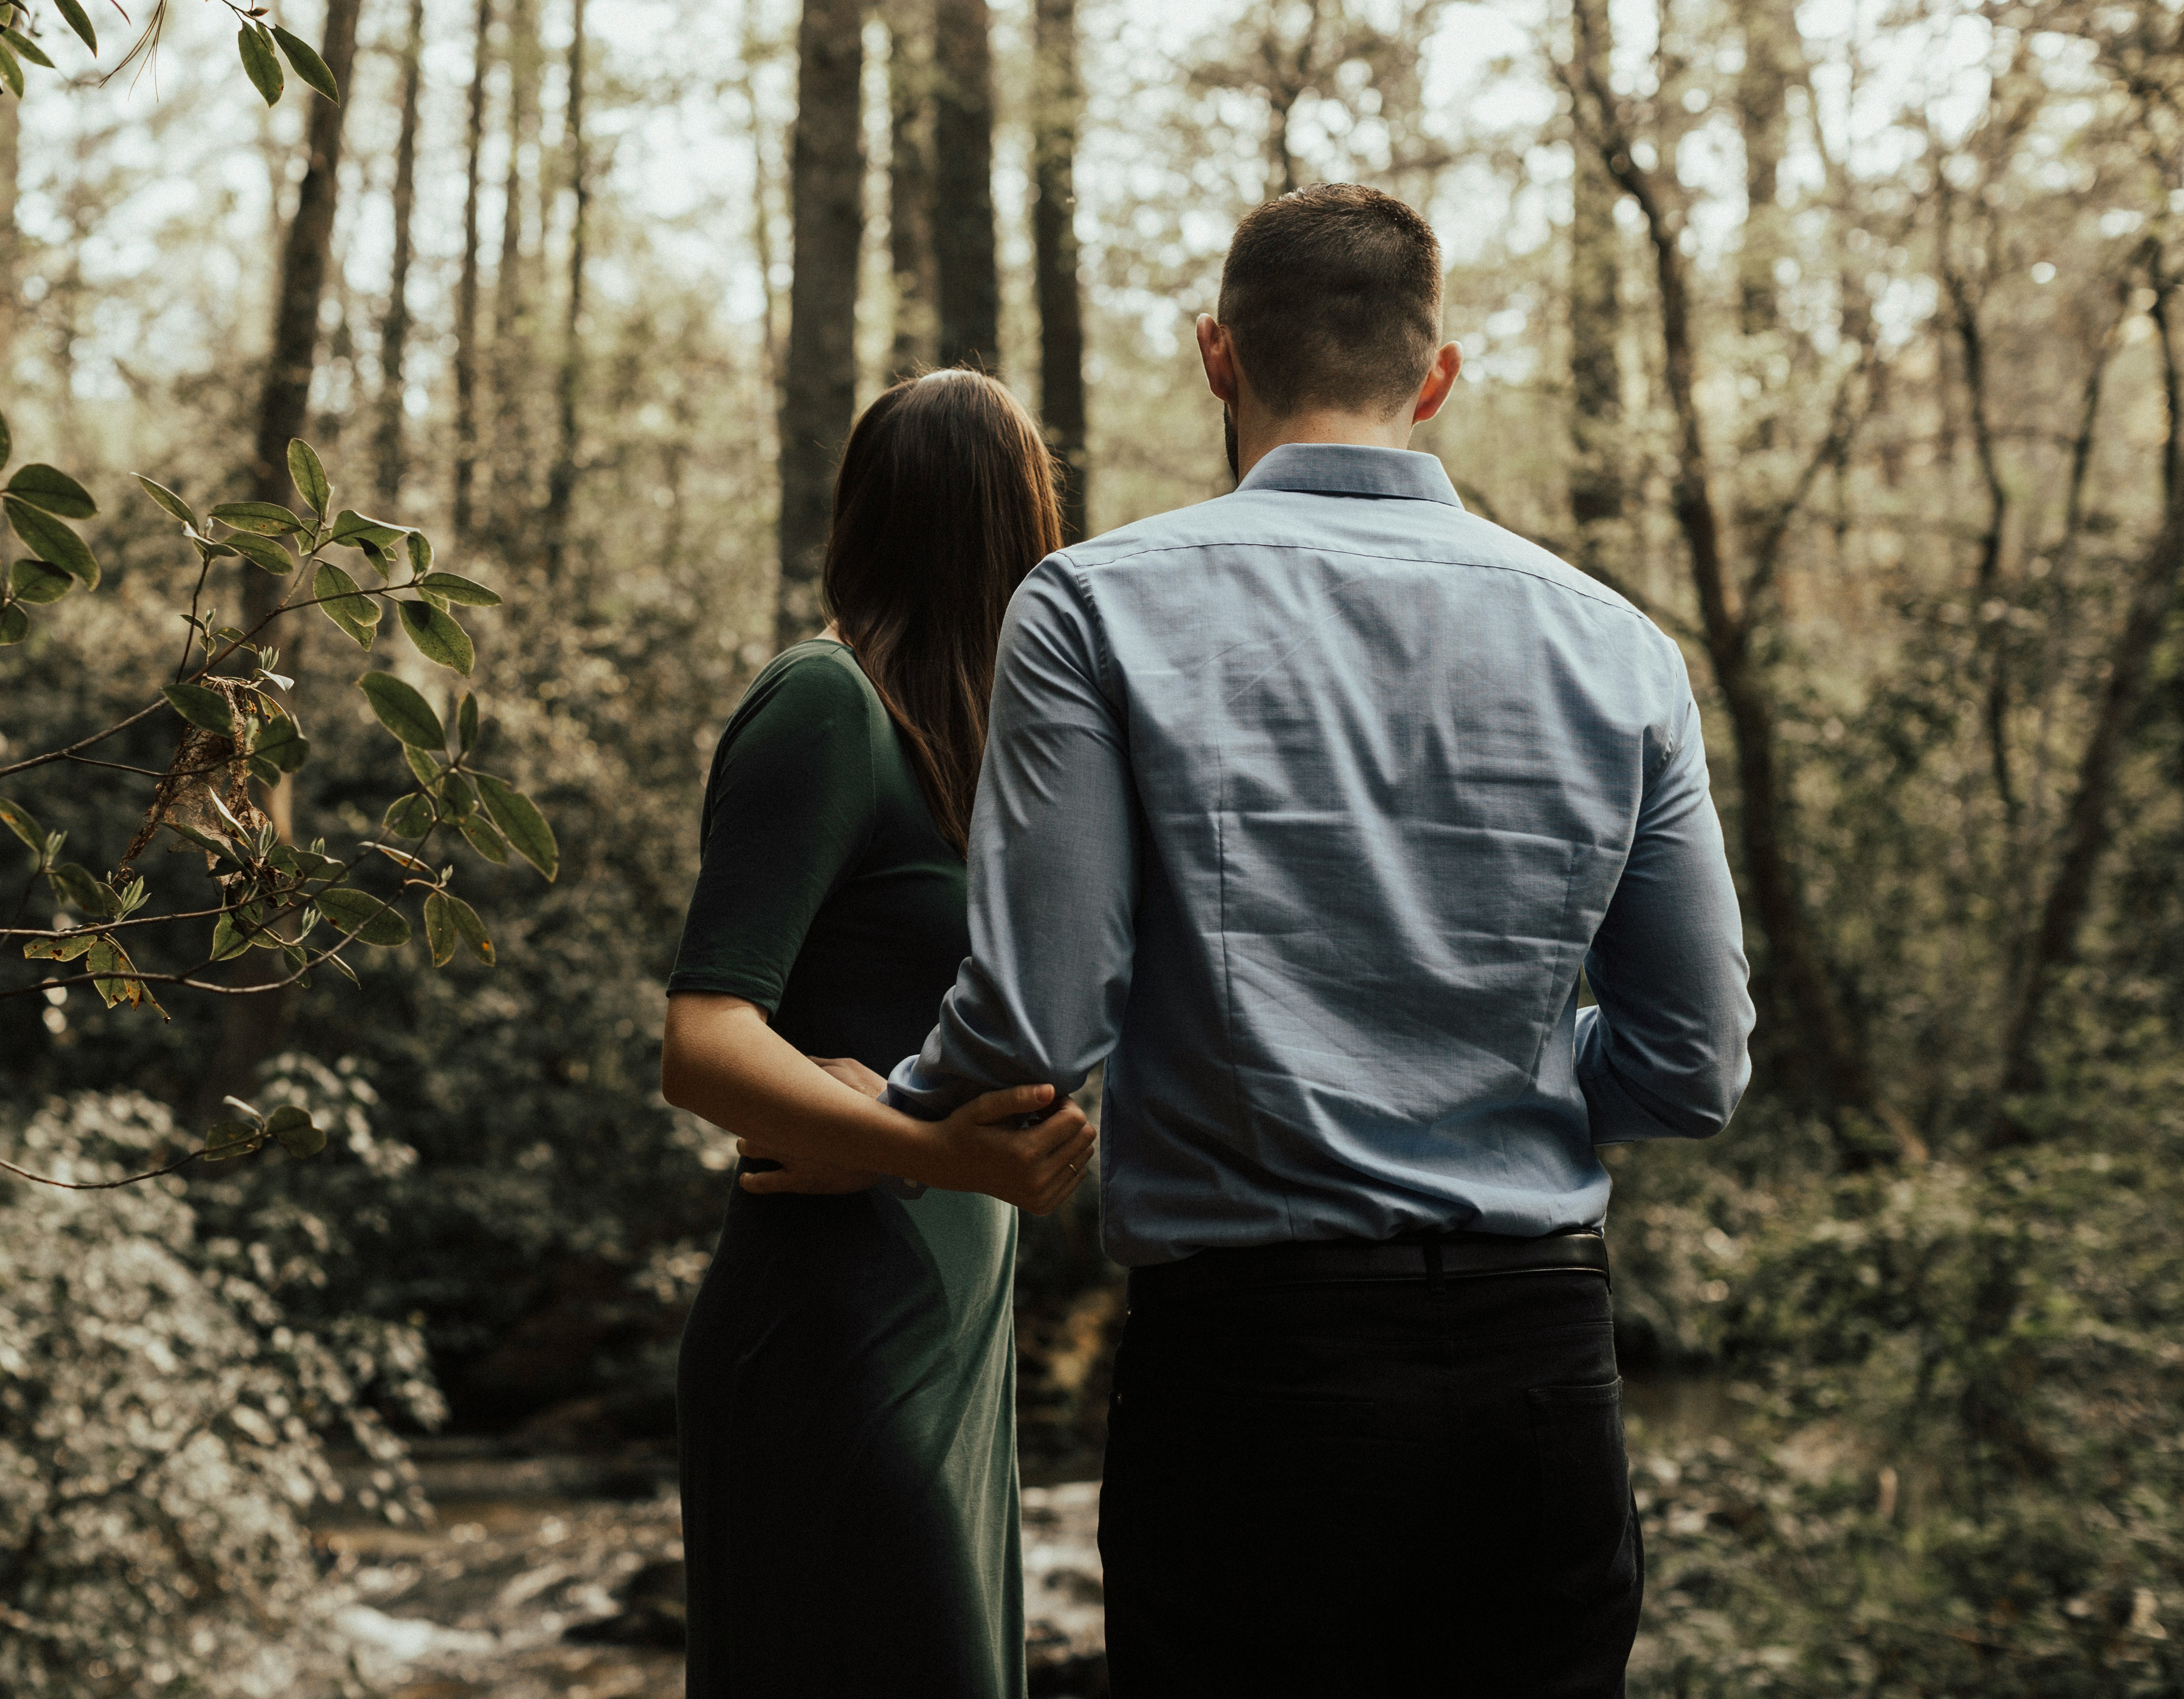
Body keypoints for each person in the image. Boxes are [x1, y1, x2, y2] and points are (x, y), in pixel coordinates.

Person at [884, 185, 1757, 1695]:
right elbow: (1695, 1067)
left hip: (1250, 1379)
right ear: (1438, 376)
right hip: (1538, 1366)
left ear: (1217, 355)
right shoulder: (1621, 647)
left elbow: (1037, 1021)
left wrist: (874, 1110)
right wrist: (1517, 1067)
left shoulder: (1092, 606)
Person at [661, 369, 1100, 1699]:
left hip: (957, 1332)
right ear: (1027, 532)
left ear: (862, 519)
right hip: (831, 1332)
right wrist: (922, 1144)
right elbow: (703, 1040)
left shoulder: (1010, 757)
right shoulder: (825, 702)